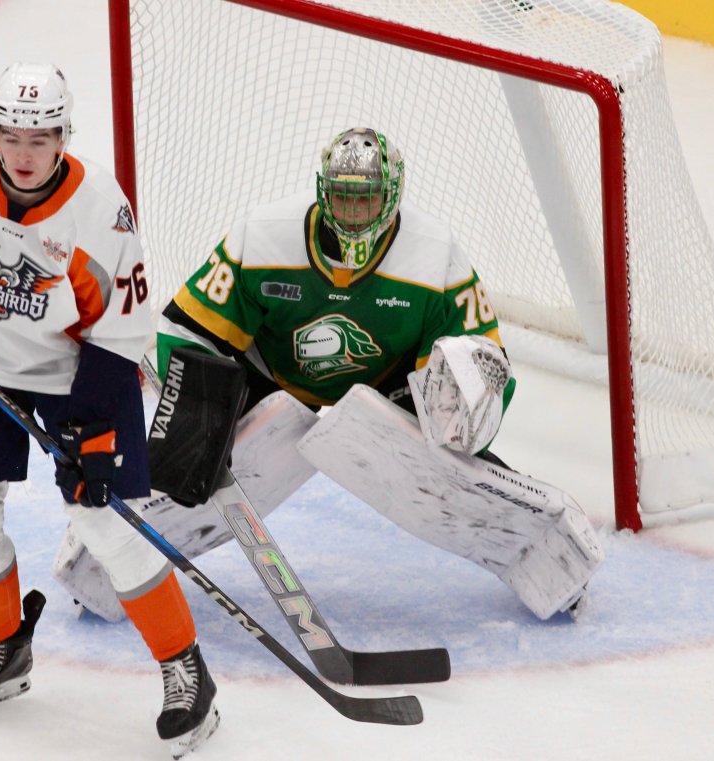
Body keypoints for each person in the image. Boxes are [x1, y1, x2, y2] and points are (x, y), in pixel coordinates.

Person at [0, 63, 218, 757]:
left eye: (42, 138)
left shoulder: (100, 212)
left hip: (82, 369)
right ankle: (4, 650)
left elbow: (122, 334)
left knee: (106, 525)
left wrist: (92, 433)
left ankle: (185, 667)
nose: (24, 154)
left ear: (64, 138)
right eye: (12, 137)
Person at [140, 127, 602, 621]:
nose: (353, 211)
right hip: (268, 382)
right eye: (343, 196)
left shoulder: (434, 254)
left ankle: (544, 555)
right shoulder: (262, 235)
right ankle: (116, 556)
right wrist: (194, 416)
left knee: (453, 458)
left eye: (366, 199)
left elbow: (484, 356)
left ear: (393, 195)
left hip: (388, 393)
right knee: (187, 441)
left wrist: (462, 418)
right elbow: (185, 329)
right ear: (324, 190)